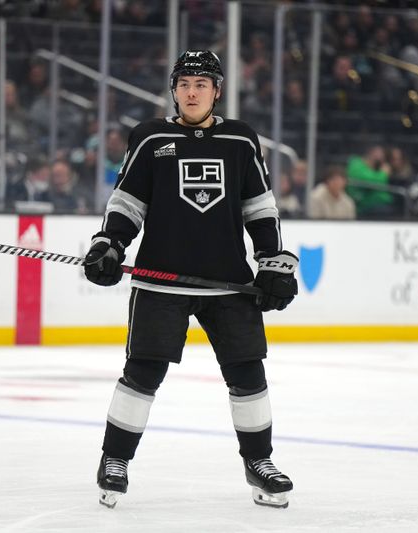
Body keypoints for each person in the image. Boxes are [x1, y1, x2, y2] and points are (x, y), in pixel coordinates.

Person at [84, 50, 298, 509]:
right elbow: (127, 204)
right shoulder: (150, 137)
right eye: (184, 83)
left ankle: (259, 461)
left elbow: (259, 208)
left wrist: (272, 261)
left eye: (202, 83)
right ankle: (114, 460)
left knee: (248, 373)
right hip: (161, 281)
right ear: (174, 90)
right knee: (143, 373)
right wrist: (110, 244)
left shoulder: (241, 140)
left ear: (217, 91)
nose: (192, 91)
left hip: (228, 283)